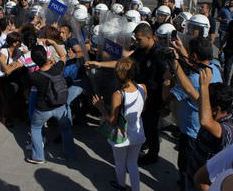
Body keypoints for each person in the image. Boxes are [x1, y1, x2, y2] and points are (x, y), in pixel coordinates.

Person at [85, 23, 167, 165]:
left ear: (149, 37)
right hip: (138, 93)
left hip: (153, 96)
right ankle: (141, 142)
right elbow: (123, 63)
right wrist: (99, 64)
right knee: (139, 122)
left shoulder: (160, 54)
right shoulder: (140, 51)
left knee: (151, 125)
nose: (136, 41)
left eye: (139, 39)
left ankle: (153, 154)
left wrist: (166, 101)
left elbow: (167, 80)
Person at [169, 37, 223, 191]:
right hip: (200, 133)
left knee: (186, 167)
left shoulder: (194, 79)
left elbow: (183, 87)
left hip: (191, 133)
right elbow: (195, 64)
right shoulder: (215, 68)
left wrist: (174, 64)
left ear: (193, 56)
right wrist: (182, 50)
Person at [92, 57, 147, 191]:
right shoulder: (142, 87)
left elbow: (112, 121)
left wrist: (101, 108)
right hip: (138, 133)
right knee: (133, 164)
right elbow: (143, 109)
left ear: (117, 75)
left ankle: (121, 185)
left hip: (122, 135)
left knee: (120, 163)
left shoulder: (118, 94)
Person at [25, 42, 75, 164]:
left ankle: (38, 156)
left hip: (42, 108)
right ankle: (69, 154)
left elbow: (27, 87)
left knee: (36, 128)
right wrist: (53, 43)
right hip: (60, 106)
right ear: (46, 55)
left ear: (34, 60)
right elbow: (63, 55)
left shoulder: (33, 76)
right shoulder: (57, 68)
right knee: (66, 129)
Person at [0, 32, 23, 127]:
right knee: (6, 100)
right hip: (2, 79)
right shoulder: (3, 52)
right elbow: (5, 70)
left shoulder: (18, 51)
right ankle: (5, 119)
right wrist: (15, 65)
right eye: (20, 41)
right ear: (14, 43)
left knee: (13, 98)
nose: (21, 43)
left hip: (13, 78)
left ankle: (13, 114)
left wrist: (13, 66)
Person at [223, 20, 233, 85]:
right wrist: (222, 45)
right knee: (227, 69)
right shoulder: (231, 23)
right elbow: (227, 35)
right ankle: (225, 85)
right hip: (229, 49)